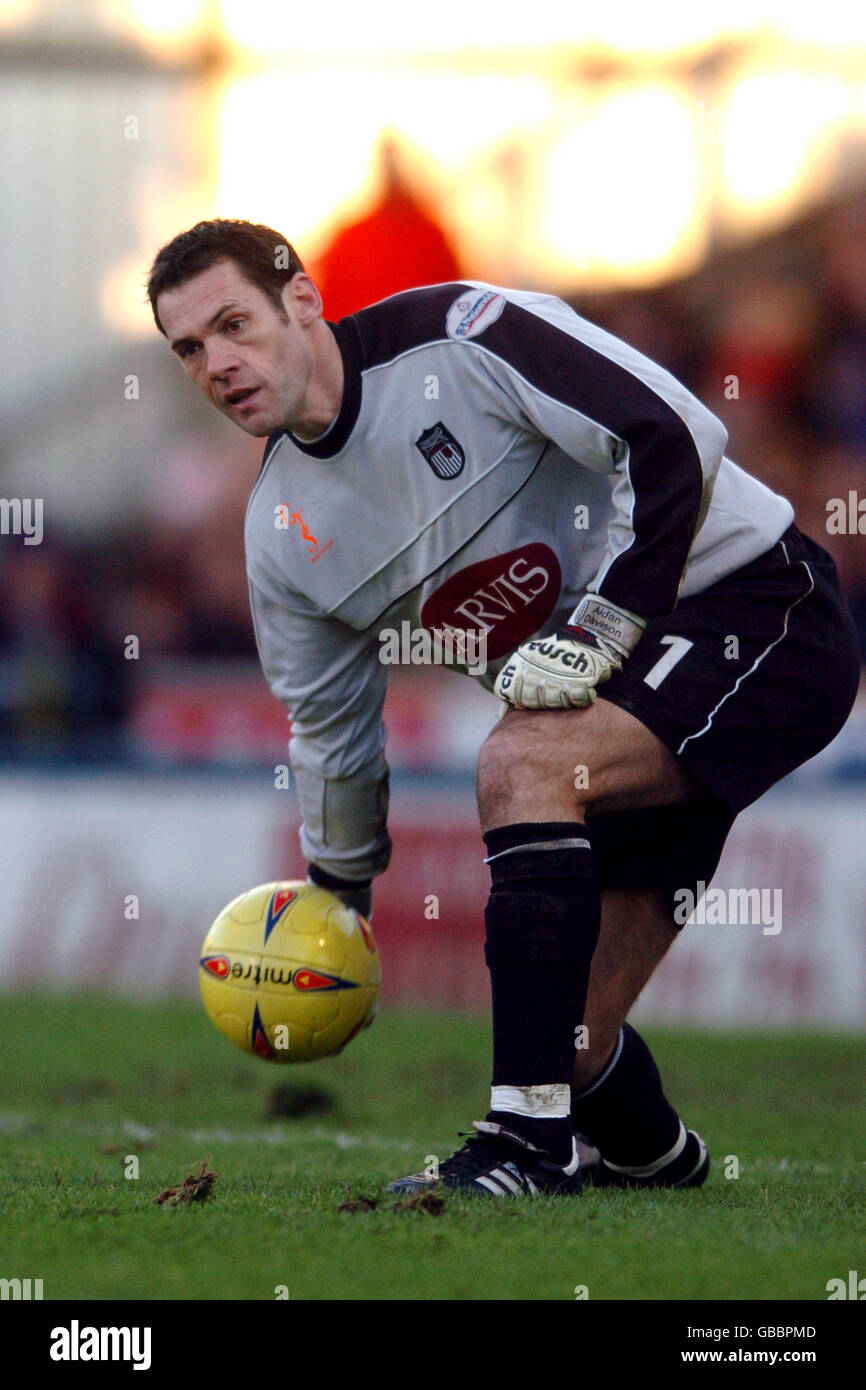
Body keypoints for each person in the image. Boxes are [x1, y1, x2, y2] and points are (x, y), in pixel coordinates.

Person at [147, 219, 861, 1198]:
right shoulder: (279, 535)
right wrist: (337, 901)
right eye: (188, 348)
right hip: (619, 698)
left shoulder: (461, 335)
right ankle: (656, 1160)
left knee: (521, 764)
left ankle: (524, 1145)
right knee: (569, 1038)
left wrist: (608, 624)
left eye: (233, 324)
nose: (216, 362)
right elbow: (329, 733)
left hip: (757, 613)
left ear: (301, 301)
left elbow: (672, 435)